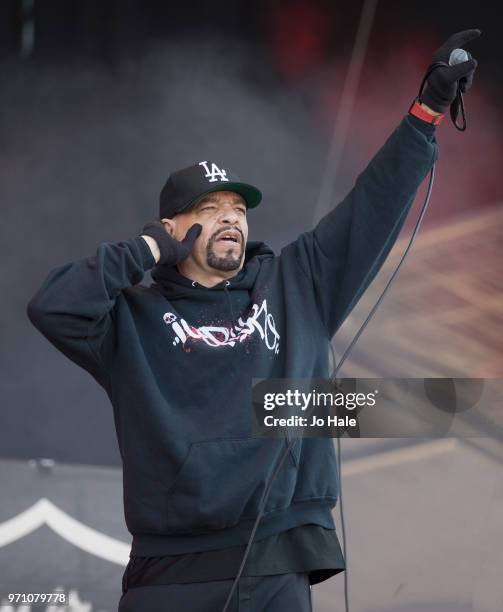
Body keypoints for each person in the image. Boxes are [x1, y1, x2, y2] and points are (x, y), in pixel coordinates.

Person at [26, 30, 479, 612]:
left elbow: (374, 202)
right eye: (209, 210)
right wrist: (143, 250)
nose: (230, 219)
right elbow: (52, 306)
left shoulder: (298, 283)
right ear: (173, 228)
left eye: (237, 209)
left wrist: (426, 113)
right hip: (170, 570)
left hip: (276, 561)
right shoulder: (130, 319)